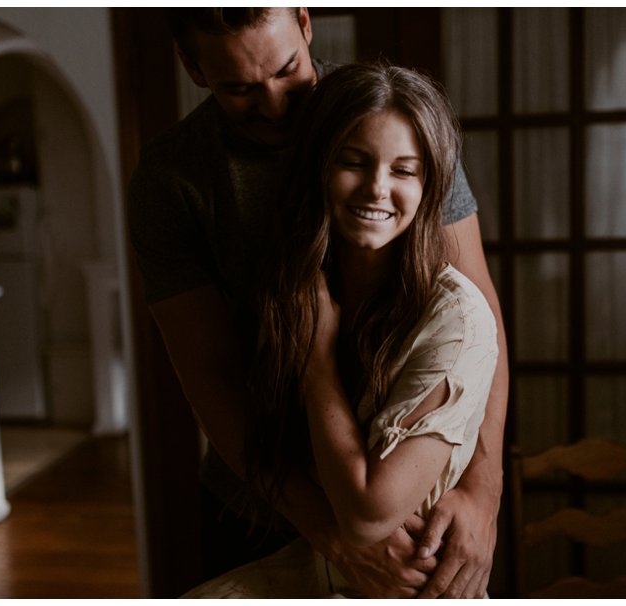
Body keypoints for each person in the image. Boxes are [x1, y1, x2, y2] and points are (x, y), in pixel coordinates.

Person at [128, 7, 509, 598]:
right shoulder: (171, 178)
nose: (277, 105)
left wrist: (483, 491)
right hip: (264, 501)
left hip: (402, 500)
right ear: (192, 67)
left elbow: (475, 316)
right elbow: (211, 378)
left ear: (306, 22)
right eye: (241, 89)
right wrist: (333, 533)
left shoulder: (391, 121)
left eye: (287, 72)